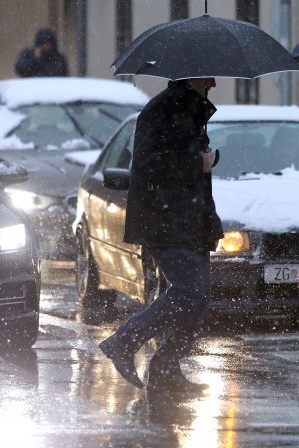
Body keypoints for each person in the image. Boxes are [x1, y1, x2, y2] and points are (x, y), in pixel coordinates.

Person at [98, 77, 223, 398]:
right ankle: (123, 342)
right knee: (189, 291)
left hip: (189, 218)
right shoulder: (162, 110)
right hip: (165, 219)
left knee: (198, 297)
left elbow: (184, 165)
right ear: (192, 76)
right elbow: (149, 164)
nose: (214, 82)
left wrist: (205, 163)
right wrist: (197, 162)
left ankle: (166, 369)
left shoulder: (190, 110)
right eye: (208, 76)